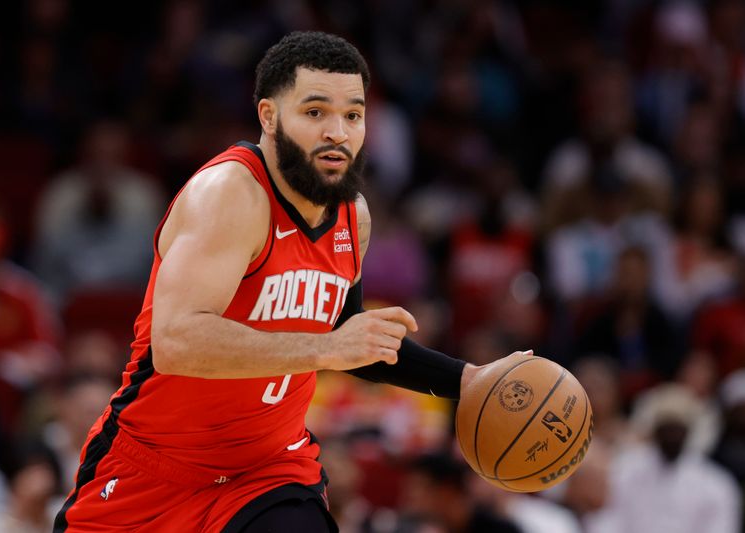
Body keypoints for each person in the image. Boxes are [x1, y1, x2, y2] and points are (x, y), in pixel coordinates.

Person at [54, 31, 526, 532]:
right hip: (152, 469)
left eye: (353, 115)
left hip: (267, 471)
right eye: (316, 112)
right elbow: (176, 341)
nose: (338, 133)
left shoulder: (352, 217)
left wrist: (470, 379)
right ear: (269, 116)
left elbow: (351, 342)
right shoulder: (230, 195)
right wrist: (327, 349)